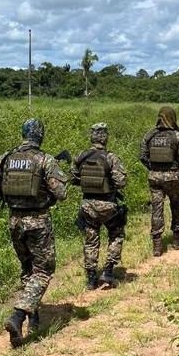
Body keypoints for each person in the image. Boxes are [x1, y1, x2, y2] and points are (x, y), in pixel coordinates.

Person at [0, 119, 68, 348]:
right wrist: (45, 194)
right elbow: (62, 193)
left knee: (28, 269)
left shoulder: (7, 157)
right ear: (40, 136)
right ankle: (18, 316)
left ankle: (34, 319)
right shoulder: (44, 159)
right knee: (43, 271)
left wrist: (9, 197)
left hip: (14, 221)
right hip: (38, 222)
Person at [70, 123, 128, 290]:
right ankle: (108, 271)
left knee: (91, 241)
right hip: (108, 206)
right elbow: (121, 182)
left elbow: (73, 179)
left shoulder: (81, 156)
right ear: (105, 137)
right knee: (116, 235)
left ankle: (91, 278)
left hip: (88, 206)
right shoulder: (111, 158)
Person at [140, 106, 179, 256]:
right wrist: (176, 168)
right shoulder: (177, 136)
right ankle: (177, 240)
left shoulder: (149, 135)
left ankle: (157, 246)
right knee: (176, 206)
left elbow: (142, 156)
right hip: (173, 177)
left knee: (156, 210)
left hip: (154, 178)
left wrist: (152, 167)